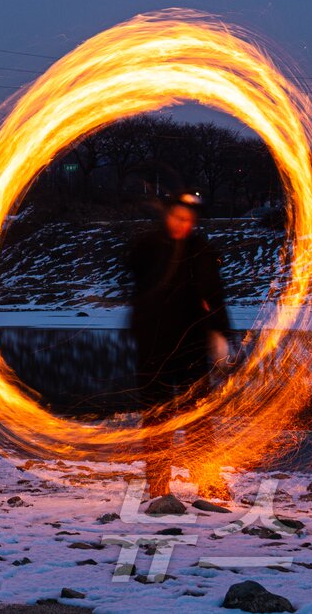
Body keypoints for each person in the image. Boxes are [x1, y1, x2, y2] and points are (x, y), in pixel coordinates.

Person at [126, 194, 232, 500]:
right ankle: (158, 485)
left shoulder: (200, 251)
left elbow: (215, 296)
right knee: (157, 418)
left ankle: (206, 480)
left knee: (198, 417)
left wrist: (222, 334)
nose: (182, 224)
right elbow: (135, 281)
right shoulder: (148, 248)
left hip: (191, 348)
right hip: (153, 348)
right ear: (167, 216)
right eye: (177, 217)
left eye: (188, 220)